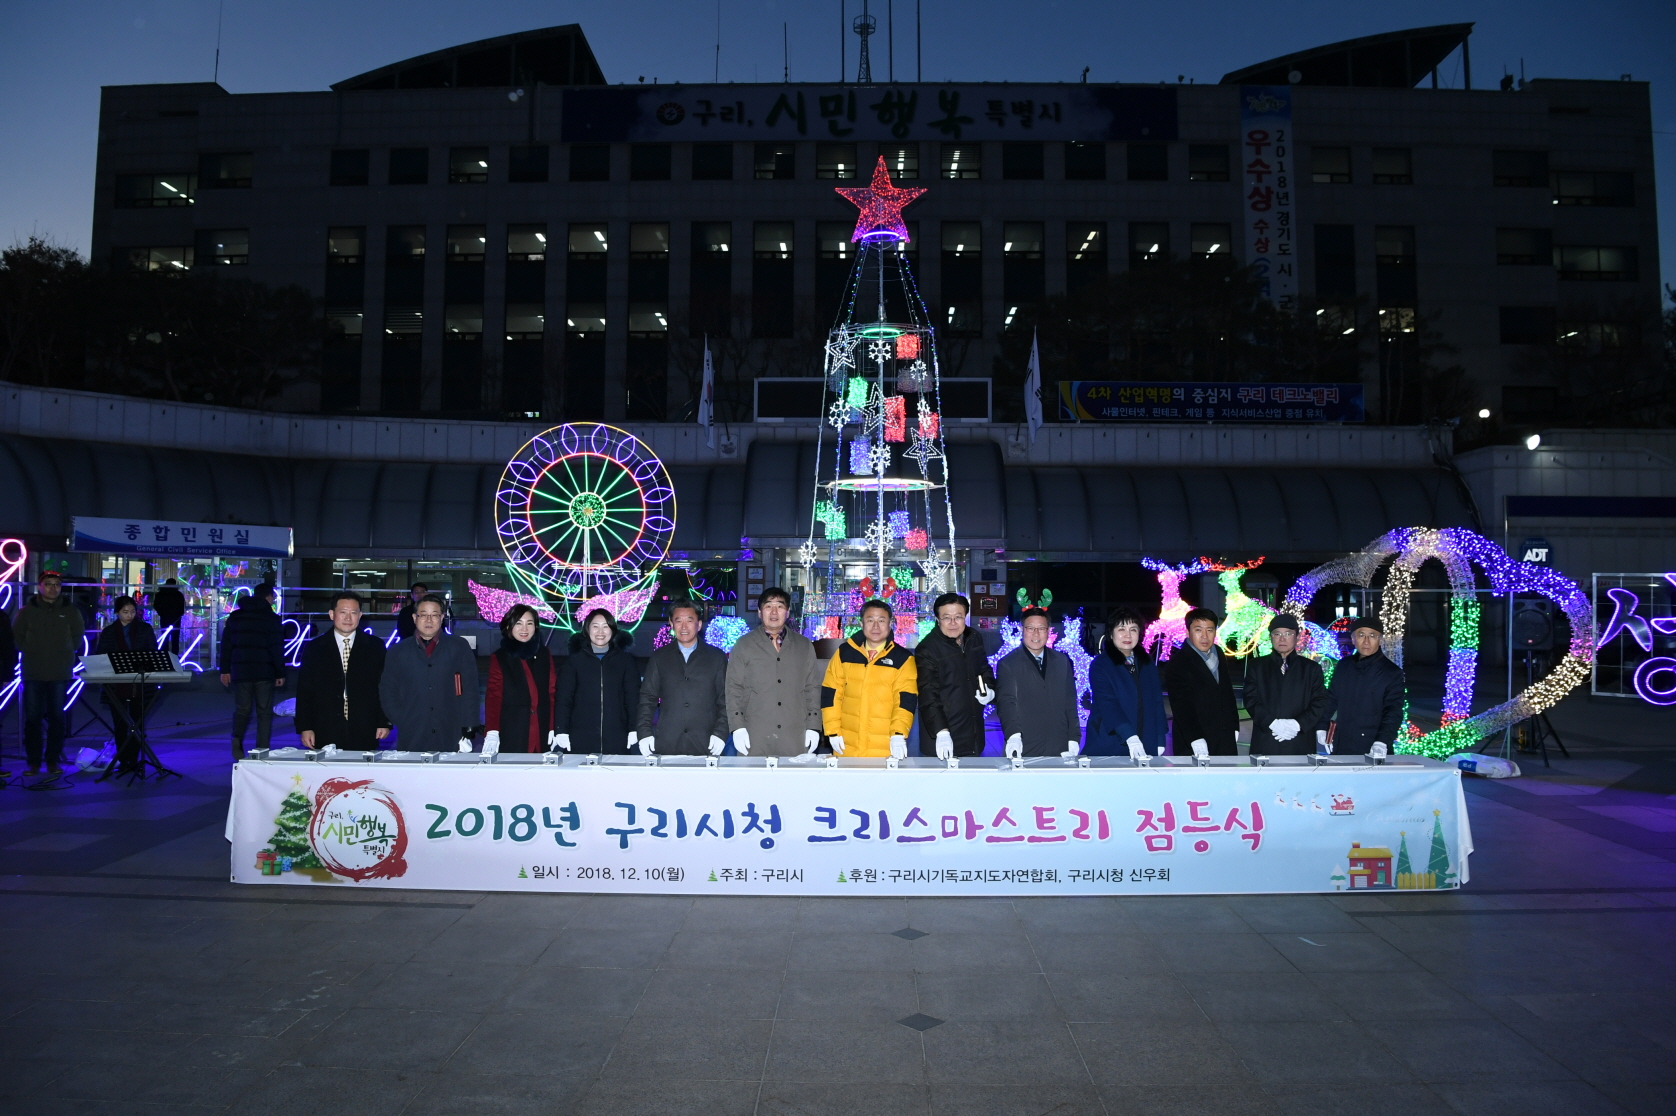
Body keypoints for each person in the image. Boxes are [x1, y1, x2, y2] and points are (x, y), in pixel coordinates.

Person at [725, 587, 821, 757]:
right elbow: (733, 689)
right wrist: (737, 726)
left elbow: (812, 688)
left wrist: (814, 726)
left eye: (780, 606)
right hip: (755, 733)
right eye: (768, 606)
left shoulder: (803, 645)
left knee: (793, 781)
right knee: (754, 782)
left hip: (795, 734)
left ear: (788, 612)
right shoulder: (744, 645)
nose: (774, 612)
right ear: (759, 612)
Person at [379, 594, 479, 752]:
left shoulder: (458, 646)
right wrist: (400, 717)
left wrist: (470, 721)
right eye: (423, 615)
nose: (429, 620)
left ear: (442, 617)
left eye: (434, 615)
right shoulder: (398, 651)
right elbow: (387, 688)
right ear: (414, 617)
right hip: (412, 730)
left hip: (450, 727)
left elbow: (471, 686)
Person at [820, 598, 918, 758]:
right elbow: (831, 693)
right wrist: (832, 730)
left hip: (886, 746)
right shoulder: (845, 653)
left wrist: (899, 733)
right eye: (870, 620)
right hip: (846, 744)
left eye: (881, 620)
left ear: (890, 623)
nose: (876, 627)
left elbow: (905, 700)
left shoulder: (903, 659)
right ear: (861, 623)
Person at [294, 590, 390, 751]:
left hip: (365, 727)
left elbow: (384, 687)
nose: (348, 618)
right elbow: (305, 690)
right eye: (343, 612)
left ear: (360, 615)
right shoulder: (315, 648)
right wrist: (305, 726)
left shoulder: (375, 647)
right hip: (324, 726)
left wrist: (383, 721)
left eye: (353, 613)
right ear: (332, 614)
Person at [636, 601, 729, 756]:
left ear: (699, 625)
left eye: (689, 621)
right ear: (671, 624)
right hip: (668, 741)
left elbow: (725, 699)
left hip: (706, 741)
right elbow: (647, 698)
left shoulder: (716, 657)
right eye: (678, 621)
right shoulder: (660, 657)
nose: (684, 627)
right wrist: (644, 732)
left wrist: (721, 732)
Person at [14, 571, 84, 775]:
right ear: (40, 586)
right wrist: (30, 649)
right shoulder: (26, 611)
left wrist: (66, 651)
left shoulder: (70, 610)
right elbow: (17, 636)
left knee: (57, 719)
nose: (53, 588)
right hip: (33, 672)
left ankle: (52, 760)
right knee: (33, 719)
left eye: (56, 584)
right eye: (49, 584)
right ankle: (33, 761)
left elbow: (78, 635)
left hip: (60, 672)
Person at [914, 591, 997, 759]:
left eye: (958, 617)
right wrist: (941, 732)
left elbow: (984, 668)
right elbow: (928, 694)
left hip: (973, 733)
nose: (952, 623)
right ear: (937, 619)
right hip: (942, 736)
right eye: (946, 617)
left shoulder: (974, 638)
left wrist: (989, 689)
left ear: (965, 616)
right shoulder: (927, 649)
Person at [994, 607, 1082, 758]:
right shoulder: (1008, 663)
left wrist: (1074, 737)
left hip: (1059, 744)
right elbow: (1006, 702)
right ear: (1022, 629)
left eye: (1041, 628)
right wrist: (1013, 735)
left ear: (1049, 631)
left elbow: (1070, 700)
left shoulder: (1062, 661)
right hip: (1024, 744)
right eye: (1030, 628)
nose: (1036, 633)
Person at [554, 608, 641, 754]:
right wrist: (561, 729)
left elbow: (633, 698)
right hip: (580, 737)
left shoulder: (625, 662)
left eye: (605, 626)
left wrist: (634, 728)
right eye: (595, 626)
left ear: (612, 630)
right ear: (587, 629)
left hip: (617, 737)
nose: (600, 631)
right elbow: (563, 698)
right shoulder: (574, 662)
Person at [1244, 613, 1330, 756]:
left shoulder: (1311, 668)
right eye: (1277, 634)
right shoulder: (1257, 666)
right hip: (1266, 739)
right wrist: (1272, 723)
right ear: (1270, 636)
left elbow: (1320, 700)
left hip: (1300, 739)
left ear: (1297, 636)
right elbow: (1250, 699)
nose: (1282, 638)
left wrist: (1297, 724)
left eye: (1288, 634)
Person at [1088, 606, 1167, 757]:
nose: (1127, 635)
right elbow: (1107, 703)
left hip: (1146, 740)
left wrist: (1160, 738)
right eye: (1121, 629)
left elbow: (1157, 701)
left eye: (1133, 629)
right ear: (1111, 633)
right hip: (1111, 741)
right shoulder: (1101, 665)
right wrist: (1129, 735)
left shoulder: (1147, 663)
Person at [219, 583, 287, 759]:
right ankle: (261, 750)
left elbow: (226, 646)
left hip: (241, 670)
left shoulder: (235, 617)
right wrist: (280, 672)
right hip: (264, 670)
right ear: (268, 597)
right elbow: (276, 648)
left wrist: (225, 669)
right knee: (264, 712)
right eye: (272, 596)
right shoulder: (271, 618)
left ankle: (237, 738)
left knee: (243, 709)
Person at [1322, 617, 1405, 758]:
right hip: (1342, 743)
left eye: (1372, 636)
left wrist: (1382, 741)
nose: (1366, 641)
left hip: (1373, 745)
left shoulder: (1391, 672)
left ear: (1380, 640)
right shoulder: (1344, 666)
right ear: (1353, 639)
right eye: (1361, 635)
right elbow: (1331, 699)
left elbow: (1393, 710)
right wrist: (1321, 726)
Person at [1162, 607, 1240, 756]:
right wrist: (1195, 738)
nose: (1204, 636)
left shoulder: (1219, 653)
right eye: (1198, 630)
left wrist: (1234, 725)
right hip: (1196, 741)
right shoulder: (1178, 663)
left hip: (1224, 736)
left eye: (1210, 630)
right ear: (1187, 632)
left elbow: (1227, 693)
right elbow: (1181, 706)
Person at [483, 604, 559, 754]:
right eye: (519, 623)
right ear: (509, 626)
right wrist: (492, 730)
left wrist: (553, 726)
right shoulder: (500, 657)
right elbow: (494, 697)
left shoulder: (543, 653)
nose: (524, 629)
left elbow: (552, 693)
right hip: (514, 730)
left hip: (542, 729)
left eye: (529, 623)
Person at [95, 595, 158, 768]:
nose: (129, 615)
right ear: (117, 612)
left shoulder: (144, 629)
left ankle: (134, 757)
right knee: (120, 723)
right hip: (116, 685)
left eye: (132, 611)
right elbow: (101, 655)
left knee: (138, 722)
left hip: (140, 683)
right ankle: (123, 759)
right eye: (125, 612)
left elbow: (152, 650)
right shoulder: (109, 632)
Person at [153, 577, 187, 654]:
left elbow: (156, 605)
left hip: (164, 618)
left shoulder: (160, 594)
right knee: (175, 639)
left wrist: (161, 613)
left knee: (165, 638)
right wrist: (178, 615)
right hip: (176, 620)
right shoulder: (178, 594)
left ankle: (165, 655)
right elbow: (182, 607)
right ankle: (175, 657)